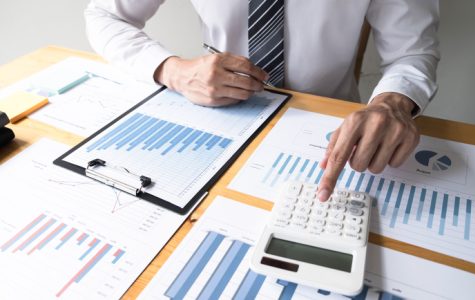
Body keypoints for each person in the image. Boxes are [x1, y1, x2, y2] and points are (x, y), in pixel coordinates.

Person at [84, 0, 439, 201]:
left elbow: (413, 51)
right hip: (214, 122)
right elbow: (105, 14)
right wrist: (172, 71)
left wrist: (392, 103)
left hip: (330, 134)